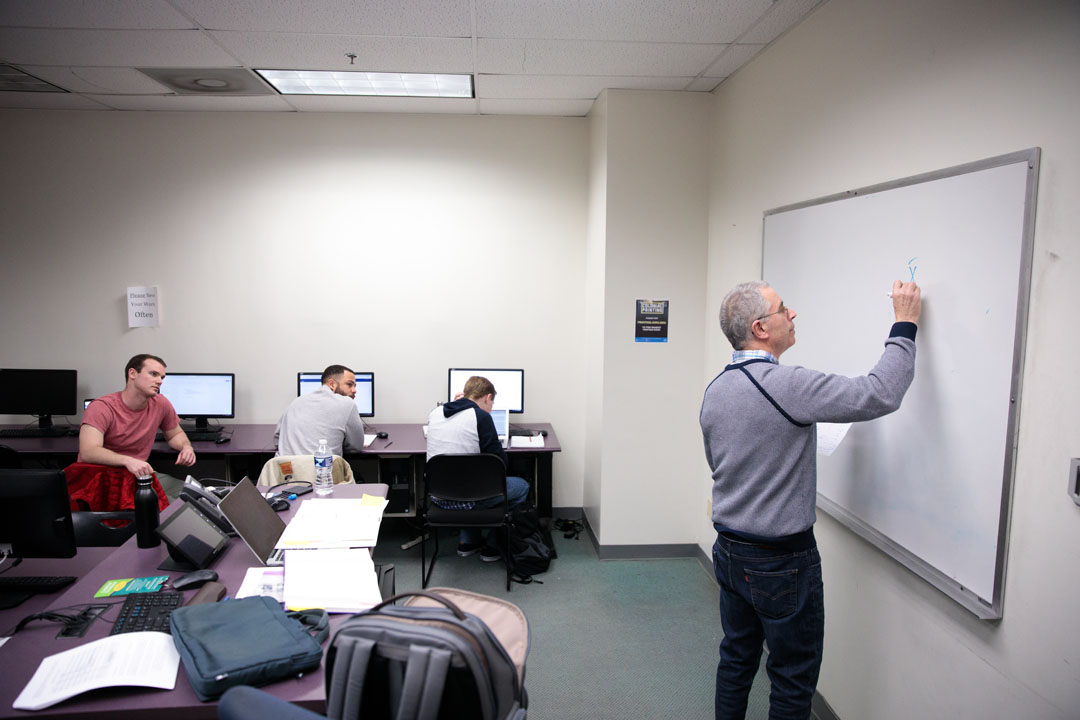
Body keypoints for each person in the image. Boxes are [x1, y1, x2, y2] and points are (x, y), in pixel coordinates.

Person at [700, 279, 922, 720]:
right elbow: (880, 392)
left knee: (737, 659)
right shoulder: (787, 386)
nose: (793, 314)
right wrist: (905, 325)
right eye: (785, 308)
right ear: (762, 328)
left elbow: (723, 463)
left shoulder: (716, 390)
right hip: (782, 563)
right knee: (792, 679)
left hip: (730, 553)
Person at [426, 375, 530, 560]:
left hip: (438, 497)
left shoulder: (435, 413)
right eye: (492, 403)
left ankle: (468, 541)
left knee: (467, 482)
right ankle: (492, 545)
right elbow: (500, 465)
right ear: (487, 397)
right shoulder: (480, 417)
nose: (491, 409)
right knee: (520, 486)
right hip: (470, 499)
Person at [79, 354, 196, 499]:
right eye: (153, 374)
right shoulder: (101, 407)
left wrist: (186, 447)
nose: (159, 381)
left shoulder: (160, 403)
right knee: (174, 509)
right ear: (132, 373)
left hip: (138, 474)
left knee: (196, 496)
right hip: (104, 478)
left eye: (162, 377)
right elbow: (88, 452)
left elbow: (175, 434)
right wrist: (128, 460)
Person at [274, 364, 366, 456]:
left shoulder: (295, 402)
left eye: (355, 386)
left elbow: (277, 440)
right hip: (322, 469)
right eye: (349, 384)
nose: (354, 390)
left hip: (284, 468)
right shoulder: (348, 404)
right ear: (332, 384)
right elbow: (355, 447)